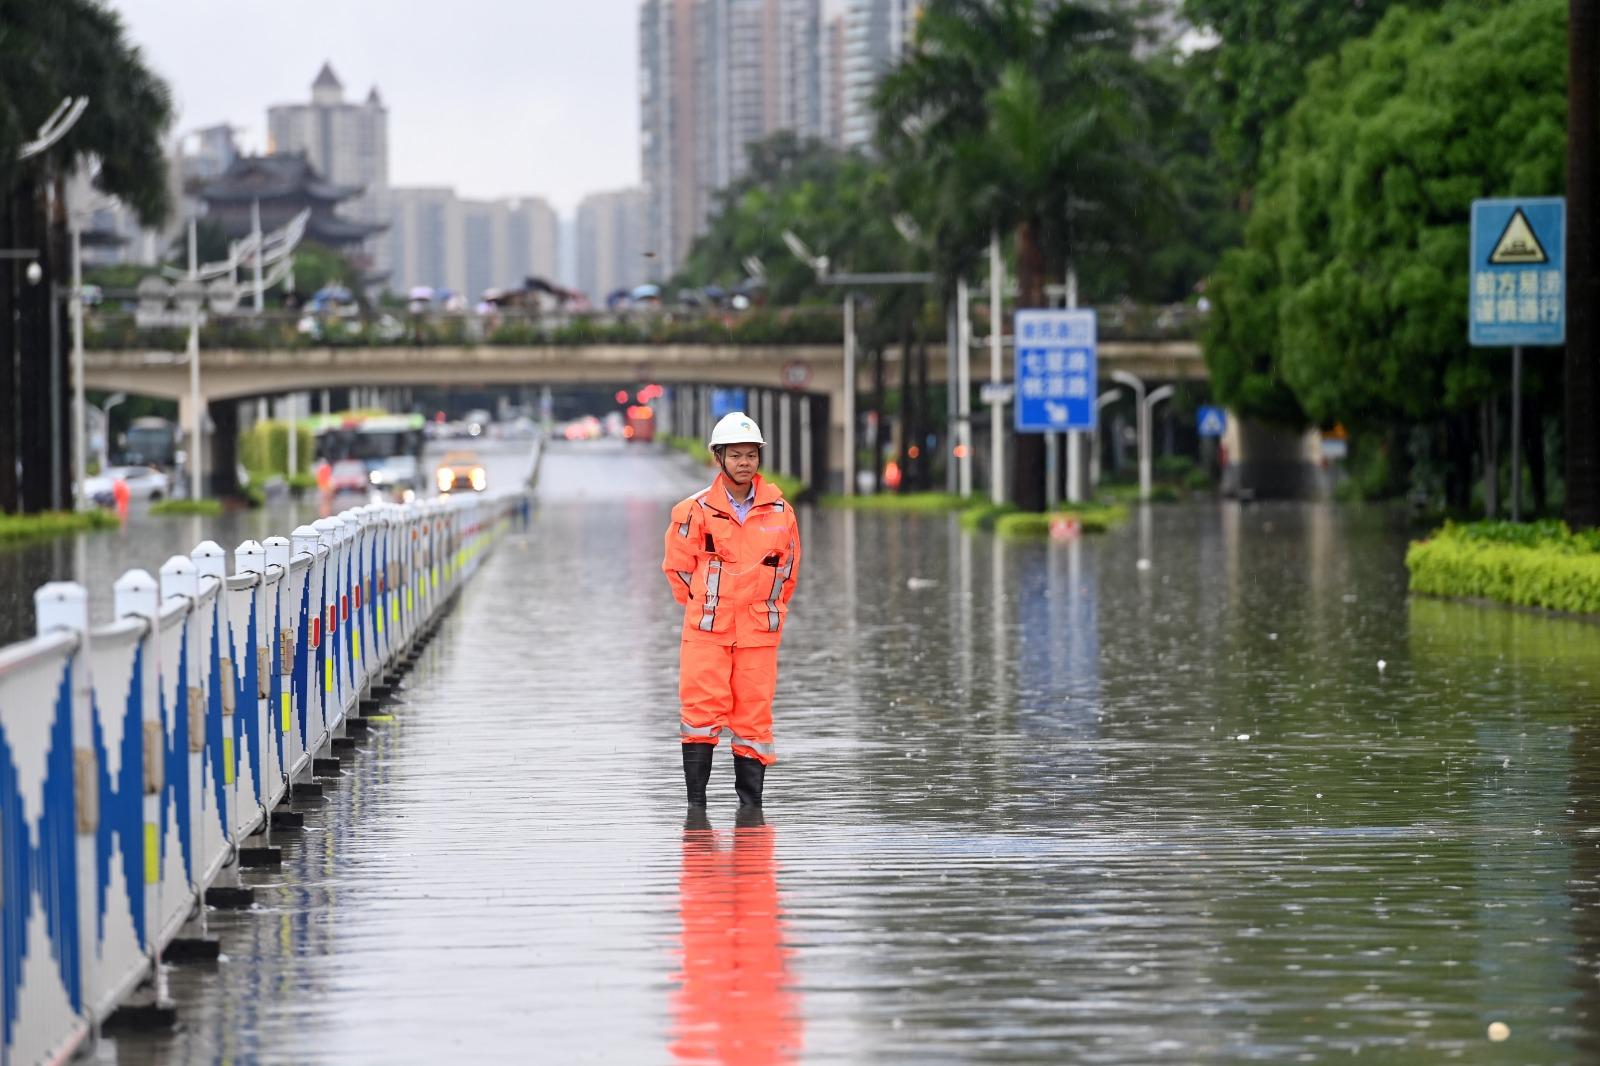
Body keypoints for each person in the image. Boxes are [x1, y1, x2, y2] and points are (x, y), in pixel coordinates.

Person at [663, 412, 800, 808]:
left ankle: (751, 811)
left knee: (754, 722)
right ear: (717, 458)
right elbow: (678, 571)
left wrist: (760, 610)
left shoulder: (781, 513)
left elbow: (788, 573)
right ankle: (696, 809)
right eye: (736, 455)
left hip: (758, 634)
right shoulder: (693, 511)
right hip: (707, 631)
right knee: (701, 716)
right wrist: (710, 608)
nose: (745, 462)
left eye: (751, 455)